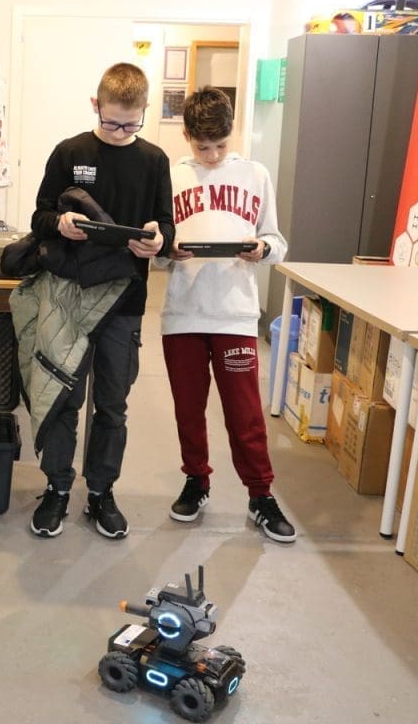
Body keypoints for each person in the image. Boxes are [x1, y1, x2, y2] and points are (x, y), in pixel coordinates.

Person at [26, 62, 173, 540]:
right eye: (111, 123)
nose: (120, 132)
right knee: (64, 399)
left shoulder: (154, 161)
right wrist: (60, 223)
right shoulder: (70, 152)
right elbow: (39, 216)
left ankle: (101, 492)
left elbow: (166, 225)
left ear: (144, 111)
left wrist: (157, 239)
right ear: (96, 105)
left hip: (125, 301)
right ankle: (57, 488)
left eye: (131, 125)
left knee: (112, 405)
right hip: (70, 296)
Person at [158, 86, 296, 543]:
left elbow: (276, 241)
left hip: (236, 314)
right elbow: (154, 253)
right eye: (203, 147)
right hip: (183, 312)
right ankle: (196, 480)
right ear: (187, 136)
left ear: (232, 132)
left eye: (220, 145)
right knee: (188, 409)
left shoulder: (255, 175)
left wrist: (262, 249)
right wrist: (166, 251)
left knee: (245, 413)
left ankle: (261, 494)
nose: (213, 155)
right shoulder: (171, 177)